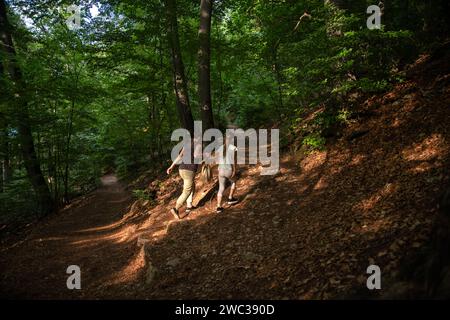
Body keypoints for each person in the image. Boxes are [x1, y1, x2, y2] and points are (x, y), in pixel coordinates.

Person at [166, 138, 202, 219]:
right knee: (187, 191)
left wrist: (171, 166)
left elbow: (179, 156)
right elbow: (196, 156)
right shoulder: (198, 145)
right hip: (189, 170)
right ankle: (175, 209)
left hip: (181, 169)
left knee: (192, 185)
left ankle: (189, 205)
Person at [215, 134, 239, 213]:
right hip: (228, 170)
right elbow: (234, 161)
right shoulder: (233, 148)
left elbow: (216, 161)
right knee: (234, 181)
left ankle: (218, 207)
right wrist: (234, 170)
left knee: (221, 188)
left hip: (221, 170)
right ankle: (230, 198)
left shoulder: (219, 148)